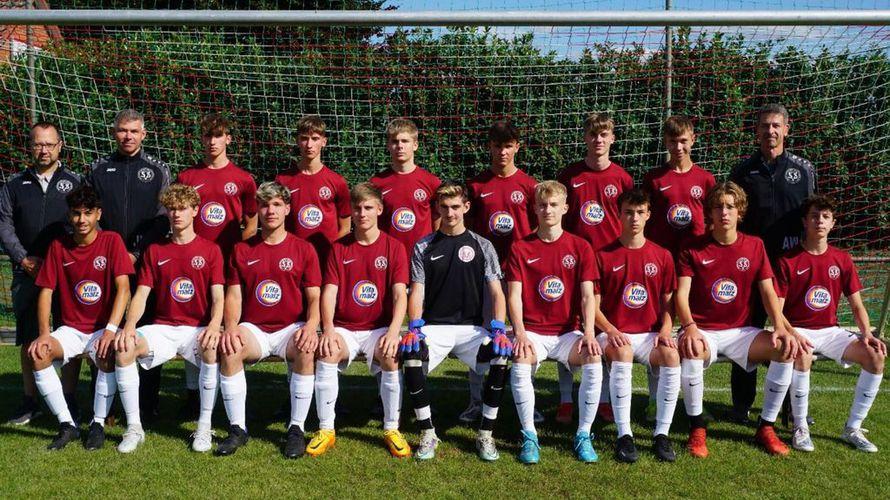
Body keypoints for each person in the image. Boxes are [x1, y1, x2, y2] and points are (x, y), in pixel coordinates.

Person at [676, 181, 805, 458]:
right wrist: (689, 327)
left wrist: (780, 326)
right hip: (703, 331)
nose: (724, 212)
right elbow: (681, 295)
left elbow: (768, 291)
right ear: (709, 212)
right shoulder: (692, 247)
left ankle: (766, 427)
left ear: (740, 211)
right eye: (718, 206)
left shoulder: (755, 246)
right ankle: (697, 428)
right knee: (692, 349)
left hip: (741, 332)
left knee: (785, 348)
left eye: (730, 207)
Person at [465, 121, 569, 424]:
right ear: (490, 147)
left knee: (526, 337)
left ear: (517, 148)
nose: (502, 152)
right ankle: (476, 401)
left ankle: (528, 403)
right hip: (486, 273)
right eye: (497, 146)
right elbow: (469, 229)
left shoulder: (529, 185)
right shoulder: (477, 185)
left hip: (524, 274)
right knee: (483, 335)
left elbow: (540, 228)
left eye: (508, 146)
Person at [401, 182, 511, 461]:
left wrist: (499, 328)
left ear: (466, 207)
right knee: (411, 355)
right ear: (437, 208)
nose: (450, 213)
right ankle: (427, 433)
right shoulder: (423, 246)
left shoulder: (483, 245)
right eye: (444, 207)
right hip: (433, 328)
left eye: (455, 207)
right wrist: (414, 326)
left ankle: (485, 434)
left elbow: (497, 292)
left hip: (472, 329)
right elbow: (417, 291)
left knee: (500, 356)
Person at [112, 184, 225, 453]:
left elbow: (219, 297)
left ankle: (204, 426)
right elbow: (141, 294)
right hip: (162, 328)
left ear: (195, 211)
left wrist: (214, 325)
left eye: (182, 208)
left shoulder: (211, 250)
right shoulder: (155, 250)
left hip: (196, 328)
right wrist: (129, 326)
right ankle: (134, 428)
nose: (176, 214)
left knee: (212, 348)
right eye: (171, 209)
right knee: (124, 348)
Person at [215, 182, 321, 458]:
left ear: (287, 209)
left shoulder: (304, 249)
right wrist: (231, 327)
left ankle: (296, 429)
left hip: (291, 327)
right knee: (230, 348)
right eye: (264, 205)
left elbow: (314, 298)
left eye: (276, 204)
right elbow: (234, 296)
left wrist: (311, 326)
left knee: (306, 348)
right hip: (255, 329)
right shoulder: (242, 249)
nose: (270, 210)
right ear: (258, 210)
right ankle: (237, 429)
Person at [27, 186, 134, 450]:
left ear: (98, 214)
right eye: (76, 213)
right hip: (71, 329)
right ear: (69, 215)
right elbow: (46, 292)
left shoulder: (112, 241)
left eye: (88, 213)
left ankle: (97, 423)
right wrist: (44, 334)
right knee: (39, 354)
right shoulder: (58, 246)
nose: (82, 219)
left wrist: (110, 330)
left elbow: (124, 289)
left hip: (102, 328)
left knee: (107, 353)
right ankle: (68, 425)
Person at [776, 195, 885, 452]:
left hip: (830, 331)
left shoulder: (842, 259)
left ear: (833, 223)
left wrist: (867, 333)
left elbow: (857, 305)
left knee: (875, 356)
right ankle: (800, 427)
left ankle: (853, 428)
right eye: (814, 216)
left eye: (825, 217)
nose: (820, 221)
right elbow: (776, 312)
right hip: (797, 329)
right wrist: (793, 334)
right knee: (802, 354)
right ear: (805, 222)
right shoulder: (787, 260)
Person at [728, 103, 816, 422]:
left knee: (793, 335)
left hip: (790, 269)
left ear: (786, 130)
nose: (770, 131)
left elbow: (812, 217)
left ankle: (792, 408)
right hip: (751, 269)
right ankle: (741, 405)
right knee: (747, 334)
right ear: (757, 131)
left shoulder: (804, 170)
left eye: (776, 125)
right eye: (765, 125)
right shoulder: (742, 172)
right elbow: (734, 219)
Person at [309, 183, 410, 457]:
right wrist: (328, 329)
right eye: (357, 208)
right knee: (327, 352)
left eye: (368, 208)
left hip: (379, 328)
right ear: (351, 212)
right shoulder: (338, 248)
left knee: (391, 355)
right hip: (344, 328)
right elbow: (329, 293)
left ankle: (392, 429)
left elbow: (400, 295)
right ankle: (326, 429)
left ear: (379, 209)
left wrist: (393, 332)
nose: (362, 213)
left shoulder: (394, 247)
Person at [506, 180, 602, 464]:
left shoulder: (580, 247)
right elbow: (514, 296)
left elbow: (588, 296)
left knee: (593, 356)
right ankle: (529, 435)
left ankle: (583, 434)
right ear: (535, 209)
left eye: (553, 205)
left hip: (567, 334)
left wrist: (589, 333)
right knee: (520, 359)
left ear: (565, 208)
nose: (548, 210)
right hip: (532, 333)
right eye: (542, 205)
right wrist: (520, 333)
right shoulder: (520, 248)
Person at [87, 108, 172, 423]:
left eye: (134, 131)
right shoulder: (98, 169)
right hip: (106, 265)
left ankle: (148, 404)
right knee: (105, 331)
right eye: (123, 130)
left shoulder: (158, 170)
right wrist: (111, 252)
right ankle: (106, 406)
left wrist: (135, 252)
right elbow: (89, 215)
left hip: (145, 265)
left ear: (144, 134)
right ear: (114, 133)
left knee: (144, 333)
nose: (128, 136)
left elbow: (164, 218)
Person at [0, 121, 83, 426]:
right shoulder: (13, 185)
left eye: (49, 144)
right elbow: (4, 225)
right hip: (28, 272)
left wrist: (69, 260)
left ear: (60, 146)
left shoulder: (75, 182)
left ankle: (69, 398)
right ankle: (30, 401)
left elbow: (84, 224)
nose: (44, 150)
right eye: (38, 144)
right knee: (29, 336)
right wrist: (23, 259)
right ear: (30, 146)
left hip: (67, 273)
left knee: (68, 332)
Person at [176, 113, 257, 415]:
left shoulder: (243, 179)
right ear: (201, 139)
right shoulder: (188, 177)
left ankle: (228, 390)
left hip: (228, 266)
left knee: (228, 328)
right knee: (195, 324)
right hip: (194, 265)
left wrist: (239, 252)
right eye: (207, 136)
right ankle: (193, 392)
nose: (212, 141)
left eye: (218, 135)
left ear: (228, 139)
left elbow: (252, 221)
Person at [594, 189, 681, 463]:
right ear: (618, 215)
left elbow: (669, 304)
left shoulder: (662, 255)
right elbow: (592, 308)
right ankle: (625, 435)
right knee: (622, 352)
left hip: (649, 335)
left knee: (671, 355)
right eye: (628, 212)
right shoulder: (602, 255)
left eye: (640, 212)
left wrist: (666, 329)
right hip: (613, 332)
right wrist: (610, 330)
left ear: (648, 215)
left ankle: (662, 434)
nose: (634, 218)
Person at [558, 112, 633, 422]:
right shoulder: (570, 175)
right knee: (567, 326)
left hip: (609, 262)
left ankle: (602, 399)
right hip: (573, 261)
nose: (598, 140)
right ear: (585, 138)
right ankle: (565, 399)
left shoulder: (623, 178)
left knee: (600, 328)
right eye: (592, 134)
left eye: (603, 135)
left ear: (612, 139)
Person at [640, 115, 715, 422]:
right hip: (661, 263)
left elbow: (711, 221)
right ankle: (654, 400)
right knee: (659, 331)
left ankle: (694, 401)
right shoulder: (654, 179)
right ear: (666, 142)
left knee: (692, 330)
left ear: (693, 140)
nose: (678, 147)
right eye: (673, 141)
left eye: (683, 141)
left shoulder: (706, 179)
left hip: (694, 264)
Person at [274, 115, 350, 265]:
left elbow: (345, 228)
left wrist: (333, 253)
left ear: (324, 142)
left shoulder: (337, 181)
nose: (309, 145)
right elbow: (276, 222)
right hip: (292, 256)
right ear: (297, 141)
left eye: (315, 139)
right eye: (304, 138)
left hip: (326, 258)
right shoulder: (283, 180)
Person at [369, 118, 441, 254]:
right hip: (388, 254)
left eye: (405, 141)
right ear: (388, 145)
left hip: (422, 256)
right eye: (395, 141)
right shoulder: (376, 183)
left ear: (415, 145)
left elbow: (438, 217)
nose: (400, 146)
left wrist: (436, 247)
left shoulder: (431, 182)